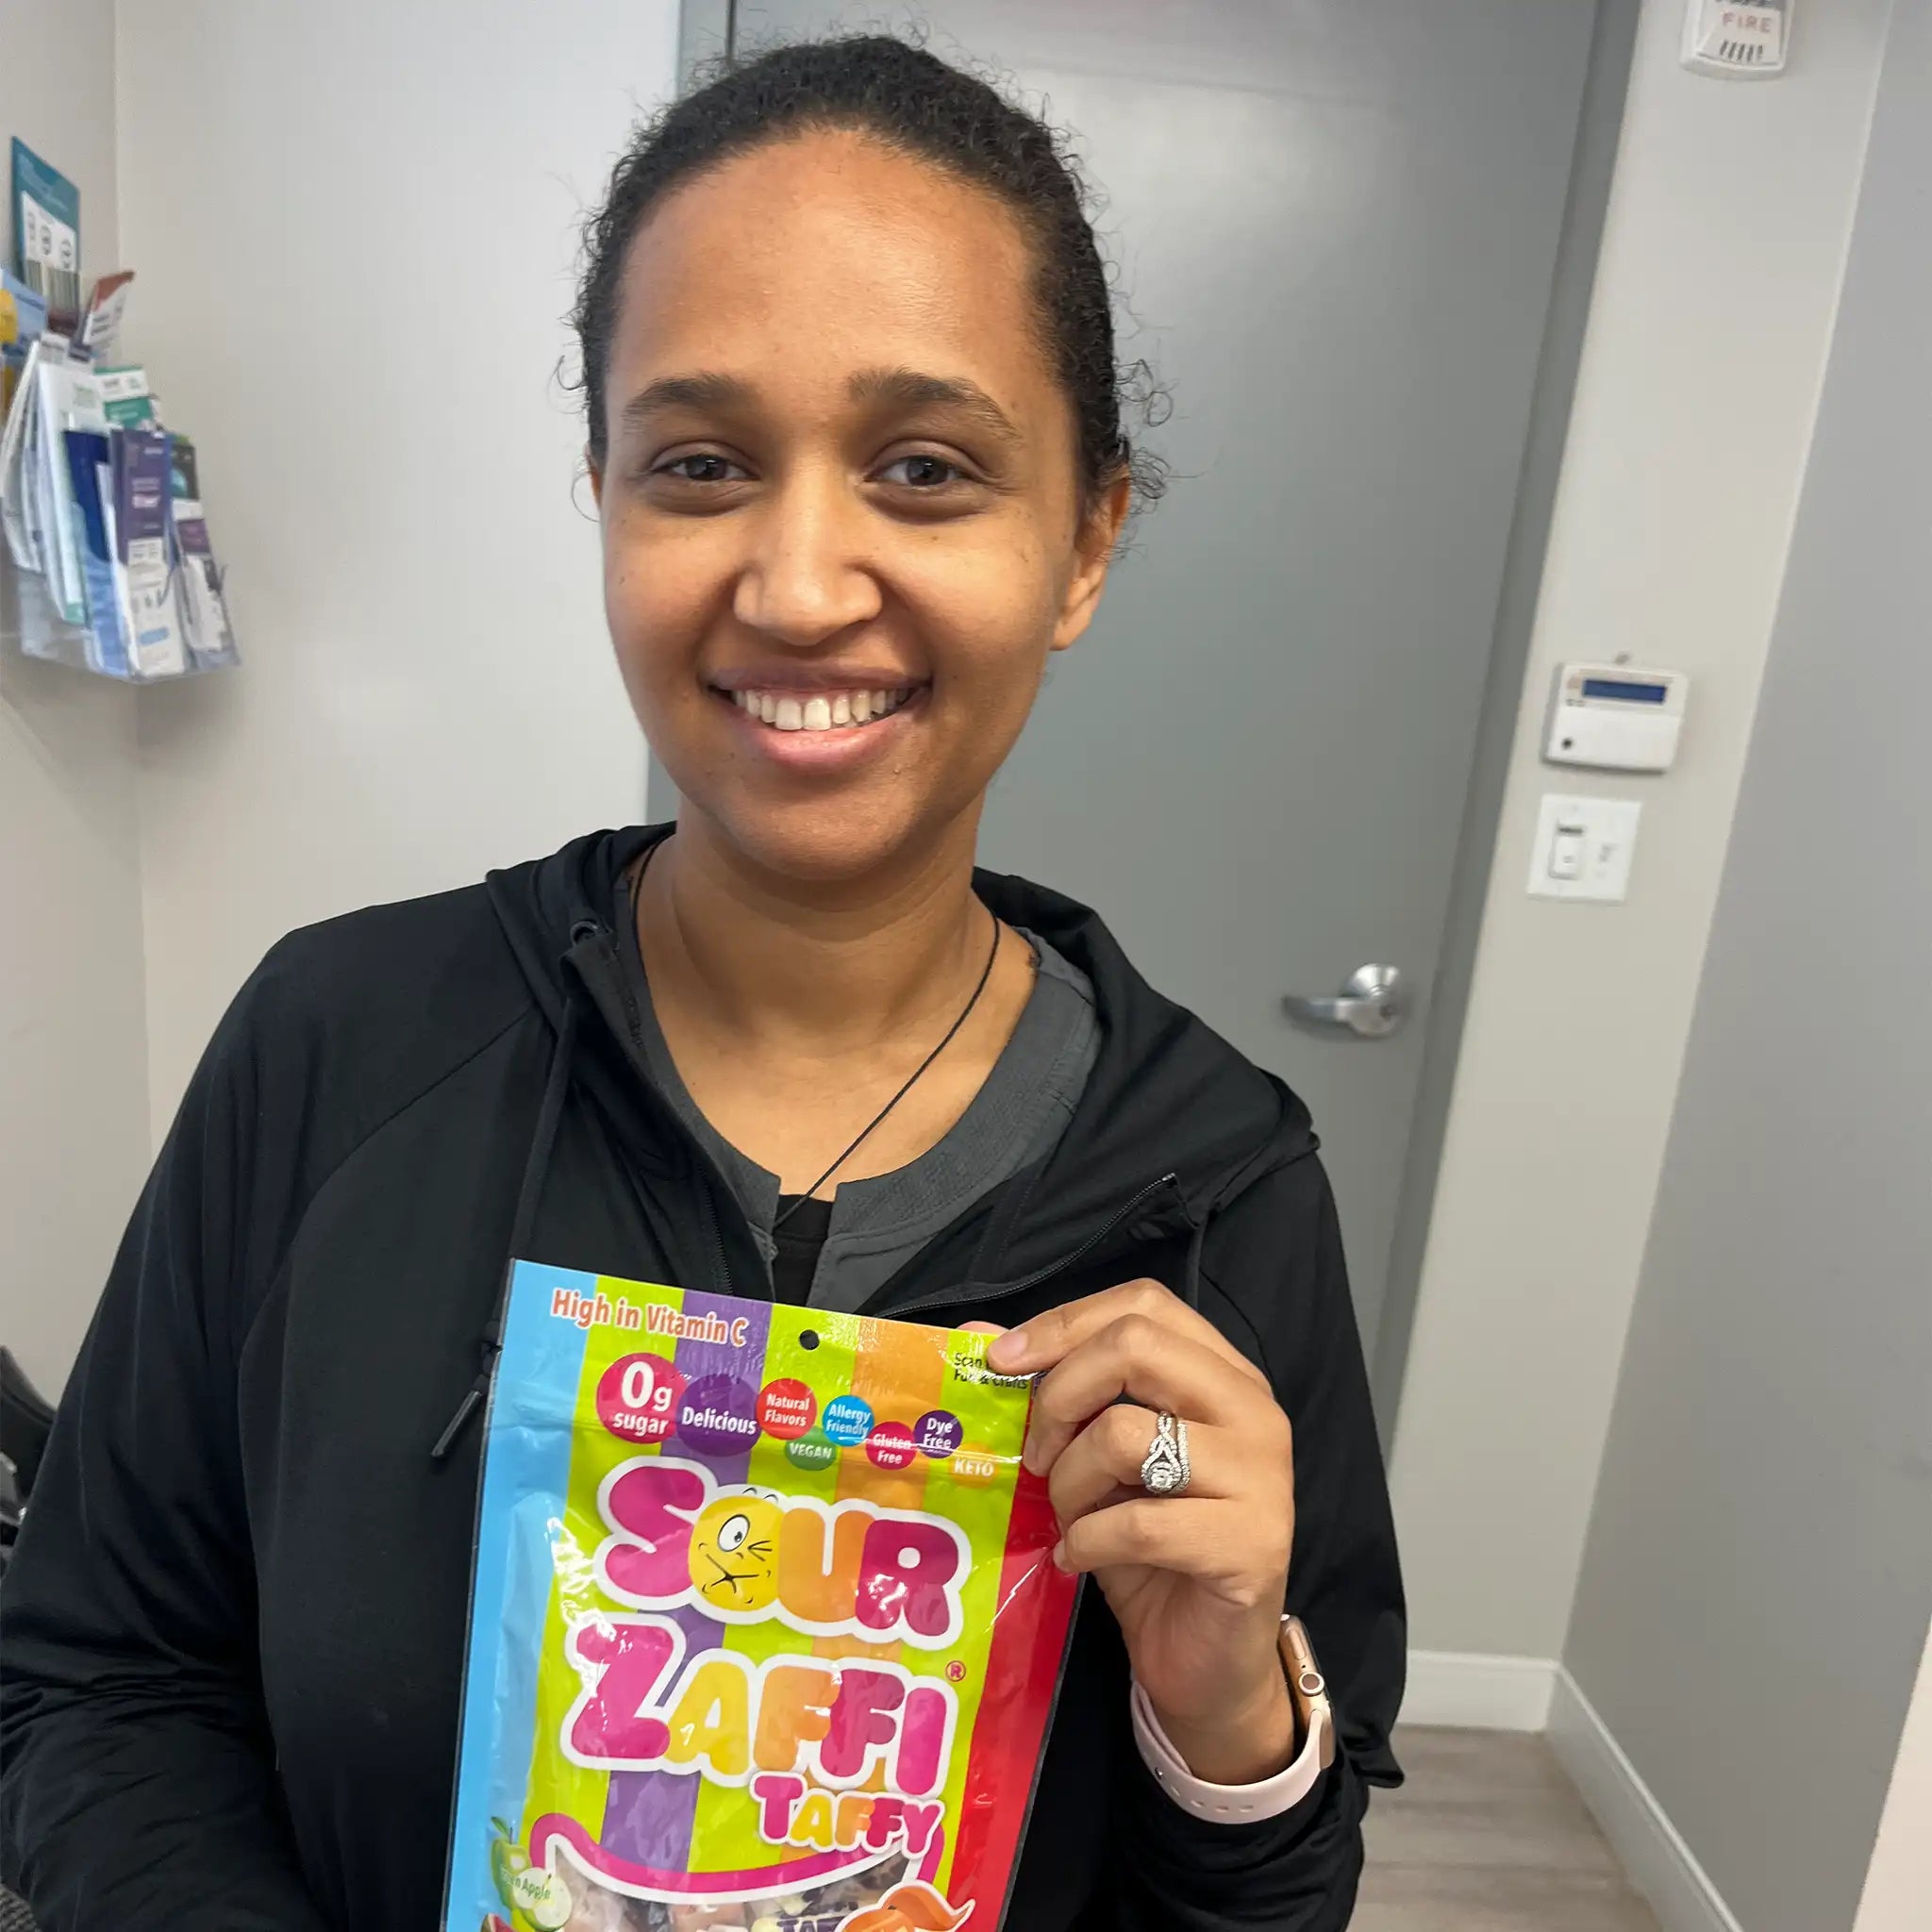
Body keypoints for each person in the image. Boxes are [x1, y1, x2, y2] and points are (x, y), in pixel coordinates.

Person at [0, 34, 1404, 1932]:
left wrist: (1227, 1715)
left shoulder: (1222, 1186)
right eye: (701, 462)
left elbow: (1269, 1897)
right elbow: (94, 1685)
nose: (802, 579)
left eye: (924, 467)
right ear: (603, 494)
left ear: (1084, 537)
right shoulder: (335, 1050)